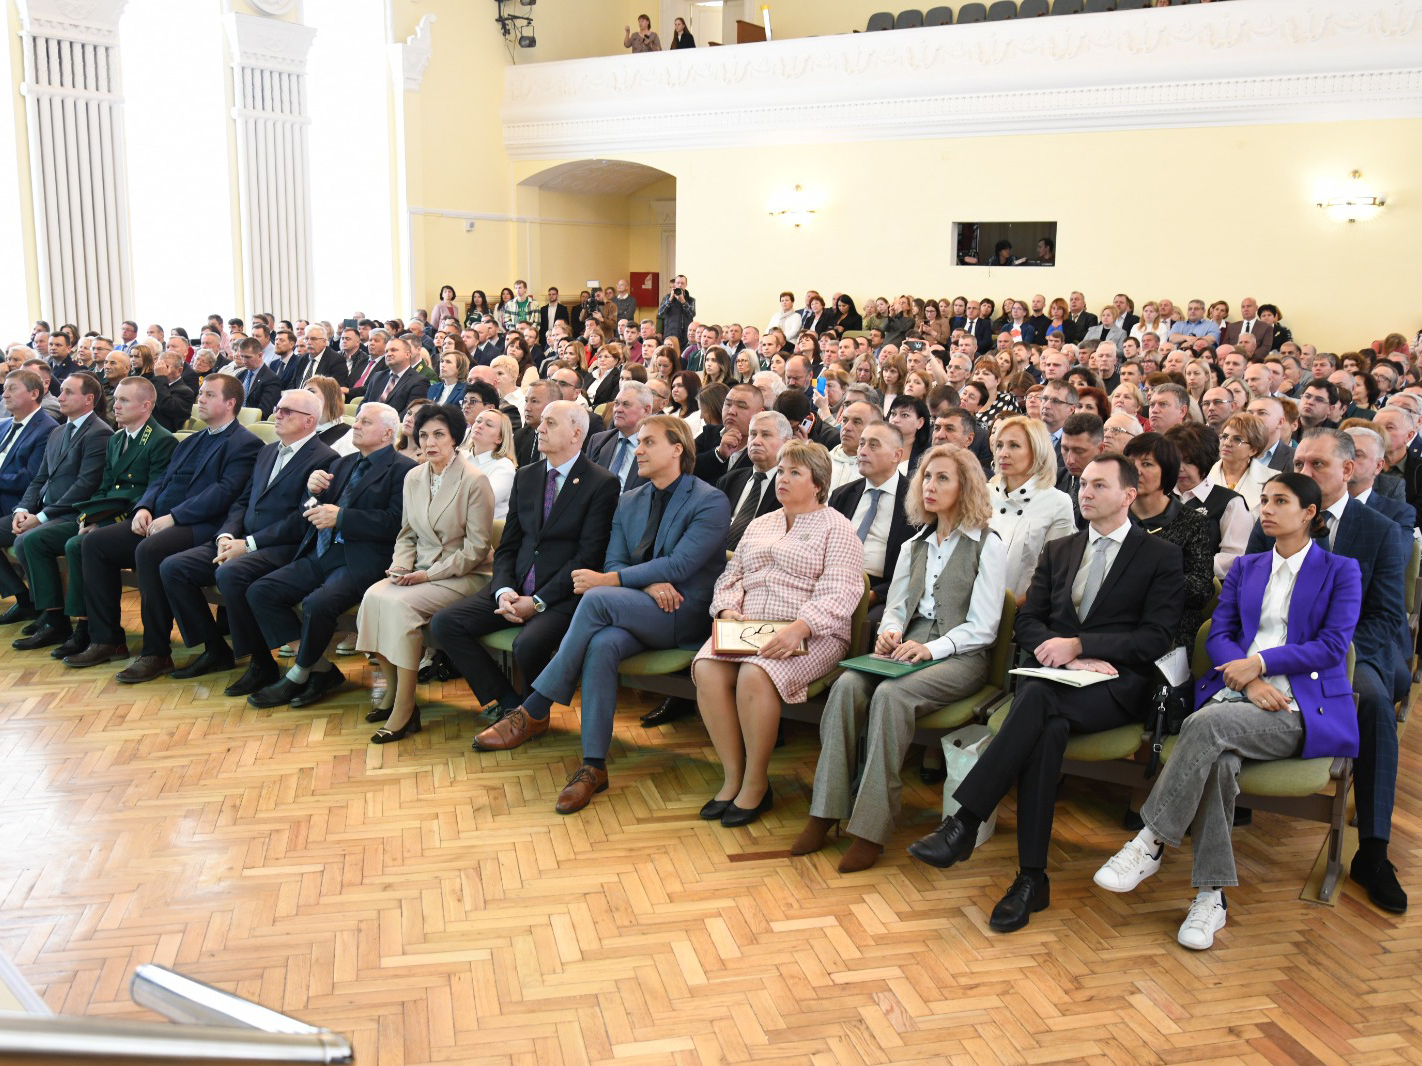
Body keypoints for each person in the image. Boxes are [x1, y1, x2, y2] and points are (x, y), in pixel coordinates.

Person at [909, 454, 1185, 933]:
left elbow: (1158, 636)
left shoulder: (1160, 555)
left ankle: (965, 821)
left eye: (1100, 485)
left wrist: (1082, 645)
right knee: (1046, 723)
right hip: (1058, 679)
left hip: (1118, 685)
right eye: (1083, 484)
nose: (1086, 492)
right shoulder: (1061, 549)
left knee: (1036, 699)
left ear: (1127, 495)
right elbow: (1029, 620)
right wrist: (1060, 653)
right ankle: (1030, 879)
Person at [1093, 473, 1362, 950]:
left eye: (1281, 501)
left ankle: (1151, 839)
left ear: (1309, 514)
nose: (1267, 508)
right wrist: (1251, 680)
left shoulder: (1341, 571)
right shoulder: (1246, 567)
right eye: (1264, 500)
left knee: (1204, 725)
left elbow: (1331, 646)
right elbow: (1217, 634)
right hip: (1240, 695)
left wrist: (1261, 663)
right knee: (1217, 761)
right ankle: (1210, 896)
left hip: (1298, 707)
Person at [473, 416, 730, 811]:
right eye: (638, 442)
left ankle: (534, 708)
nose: (637, 450)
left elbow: (679, 567)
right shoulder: (630, 499)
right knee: (602, 644)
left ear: (678, 449)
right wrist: (639, 582)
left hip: (681, 613)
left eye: (648, 443)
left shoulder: (709, 500)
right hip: (636, 606)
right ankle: (594, 766)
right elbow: (615, 558)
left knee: (594, 599)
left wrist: (616, 580)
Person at [798, 445, 1007, 872]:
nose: (930, 486)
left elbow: (985, 627)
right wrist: (891, 632)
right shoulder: (916, 542)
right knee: (846, 687)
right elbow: (896, 606)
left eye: (943, 478)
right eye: (927, 477)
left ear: (966, 485)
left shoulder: (988, 543)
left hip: (960, 655)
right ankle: (825, 809)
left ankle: (870, 829)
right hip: (909, 647)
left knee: (891, 697)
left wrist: (933, 648)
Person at [1245, 429, 1409, 913]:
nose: (1306, 473)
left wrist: (1335, 654)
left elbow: (1386, 616)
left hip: (1346, 653)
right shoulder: (1273, 516)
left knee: (1374, 703)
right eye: (1300, 463)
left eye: (1318, 465)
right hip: (1276, 647)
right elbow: (1250, 595)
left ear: (1348, 469)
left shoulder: (1377, 528)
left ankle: (1373, 851)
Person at [693, 440, 865, 827]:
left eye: (794, 473)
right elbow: (731, 575)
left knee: (756, 674)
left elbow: (843, 591)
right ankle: (732, 777)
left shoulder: (837, 527)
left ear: (818, 483)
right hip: (748, 628)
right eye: (782, 471)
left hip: (812, 633)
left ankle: (756, 784)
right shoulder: (761, 523)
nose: (782, 479)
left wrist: (801, 628)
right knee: (706, 668)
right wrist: (726, 609)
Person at [431, 401, 620, 731]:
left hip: (561, 595)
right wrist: (504, 589)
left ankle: (535, 715)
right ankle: (511, 704)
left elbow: (587, 558)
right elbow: (509, 545)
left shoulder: (601, 483)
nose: (539, 428)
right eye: (541, 422)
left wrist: (537, 602)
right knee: (445, 623)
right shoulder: (527, 476)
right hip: (514, 584)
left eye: (550, 422)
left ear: (577, 433)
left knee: (528, 644)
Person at [64, 374, 262, 677]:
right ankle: (107, 639)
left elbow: (224, 493)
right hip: (161, 519)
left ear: (230, 403)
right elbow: (162, 479)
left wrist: (175, 517)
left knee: (150, 550)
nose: (201, 399)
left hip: (202, 525)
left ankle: (156, 651)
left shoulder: (245, 443)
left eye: (209, 395)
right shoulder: (194, 438)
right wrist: (144, 506)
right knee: (95, 543)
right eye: (201, 394)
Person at [239, 404, 416, 709]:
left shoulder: (404, 469)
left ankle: (297, 674)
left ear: (388, 433)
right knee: (260, 591)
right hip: (322, 551)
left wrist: (343, 518)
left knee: (317, 603)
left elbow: (396, 522)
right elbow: (312, 510)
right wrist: (313, 493)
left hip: (361, 559)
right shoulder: (343, 463)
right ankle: (320, 669)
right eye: (356, 419)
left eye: (365, 422)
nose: (356, 425)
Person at [159, 389, 338, 682]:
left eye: (286, 411)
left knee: (231, 573)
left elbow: (302, 520)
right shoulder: (268, 450)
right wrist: (227, 535)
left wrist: (250, 544)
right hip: (243, 539)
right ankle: (215, 649)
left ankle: (261, 662)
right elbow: (243, 501)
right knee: (174, 567)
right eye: (277, 408)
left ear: (309, 421)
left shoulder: (325, 459)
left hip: (284, 547)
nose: (276, 415)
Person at [358, 404, 495, 743]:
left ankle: (405, 706)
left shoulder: (475, 480)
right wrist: (401, 566)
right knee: (374, 596)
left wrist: (427, 575)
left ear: (454, 438)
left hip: (466, 574)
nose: (430, 442)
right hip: (420, 572)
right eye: (423, 435)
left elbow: (476, 549)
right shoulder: (414, 476)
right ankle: (391, 691)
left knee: (400, 607)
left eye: (438, 434)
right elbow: (406, 534)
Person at [12, 378, 175, 655]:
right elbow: (104, 488)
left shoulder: (161, 440)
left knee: (78, 545)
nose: (115, 404)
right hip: (107, 515)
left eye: (124, 400)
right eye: (117, 398)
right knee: (46, 541)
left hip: (136, 520)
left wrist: (103, 521)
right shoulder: (117, 439)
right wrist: (89, 517)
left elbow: (152, 494)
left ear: (146, 405)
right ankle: (69, 624)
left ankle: (92, 630)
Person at [0, 372, 112, 622]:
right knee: (20, 534)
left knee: (27, 541)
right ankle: (31, 603)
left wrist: (40, 517)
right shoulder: (59, 431)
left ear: (89, 399)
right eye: (61, 392)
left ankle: (53, 617)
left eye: (68, 392)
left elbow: (85, 485)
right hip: (46, 509)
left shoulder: (99, 433)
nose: (60, 397)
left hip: (73, 513)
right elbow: (40, 479)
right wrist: (22, 510)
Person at [1122, 433, 1216, 647]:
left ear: (1167, 471)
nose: (1135, 470)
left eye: (1147, 464)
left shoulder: (1192, 522)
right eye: (1130, 463)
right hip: (1116, 621)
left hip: (1171, 628)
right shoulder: (1113, 516)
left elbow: (1202, 590)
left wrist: (1151, 578)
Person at [829, 421, 911, 623]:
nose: (863, 451)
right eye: (861, 444)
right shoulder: (843, 494)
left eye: (873, 445)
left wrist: (874, 594)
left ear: (897, 456)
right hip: (834, 581)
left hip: (881, 589)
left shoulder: (914, 501)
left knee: (867, 623)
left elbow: (916, 566)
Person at [988, 416, 1075, 602]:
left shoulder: (1058, 503)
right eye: (999, 445)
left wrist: (1009, 609)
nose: (1003, 453)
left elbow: (1054, 574)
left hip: (1021, 613)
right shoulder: (984, 494)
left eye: (1014, 446)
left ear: (1037, 452)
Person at [0, 370, 59, 534]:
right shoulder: (3, 425)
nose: (4, 395)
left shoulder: (48, 429)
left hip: (15, 504)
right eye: (4, 389)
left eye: (12, 389)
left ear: (34, 394)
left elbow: (29, 479)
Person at [361, 335, 429, 417]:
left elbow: (409, 413)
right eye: (386, 351)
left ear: (407, 354)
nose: (388, 354)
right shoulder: (377, 376)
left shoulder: (418, 381)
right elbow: (364, 403)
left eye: (393, 350)